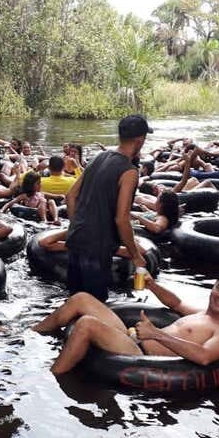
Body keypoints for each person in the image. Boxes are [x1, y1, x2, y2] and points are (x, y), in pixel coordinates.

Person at [32, 270, 219, 374]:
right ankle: (32, 332)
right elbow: (177, 303)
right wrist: (152, 286)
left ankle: (52, 377)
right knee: (81, 299)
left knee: (87, 324)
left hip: (143, 357)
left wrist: (155, 334)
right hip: (134, 338)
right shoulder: (203, 313)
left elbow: (204, 357)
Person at [64, 114, 150, 302]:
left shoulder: (98, 157)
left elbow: (70, 195)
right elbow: (121, 219)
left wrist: (76, 225)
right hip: (97, 250)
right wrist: (135, 256)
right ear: (140, 140)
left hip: (76, 240)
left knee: (75, 302)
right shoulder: (129, 171)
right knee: (94, 306)